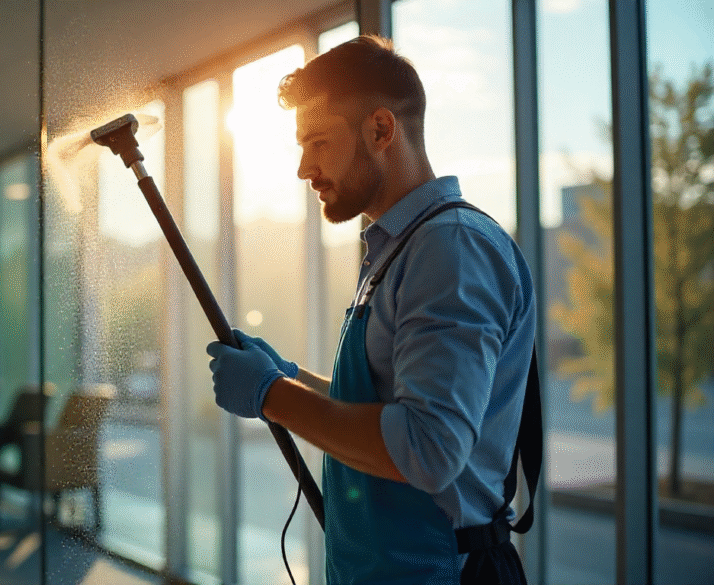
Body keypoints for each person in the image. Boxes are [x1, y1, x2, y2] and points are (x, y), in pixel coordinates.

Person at [206, 35, 538, 584]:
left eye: (317, 143)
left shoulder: (450, 249)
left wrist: (272, 395)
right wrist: (291, 378)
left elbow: (427, 447)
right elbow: (382, 404)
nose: (302, 168)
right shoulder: (400, 249)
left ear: (381, 130)